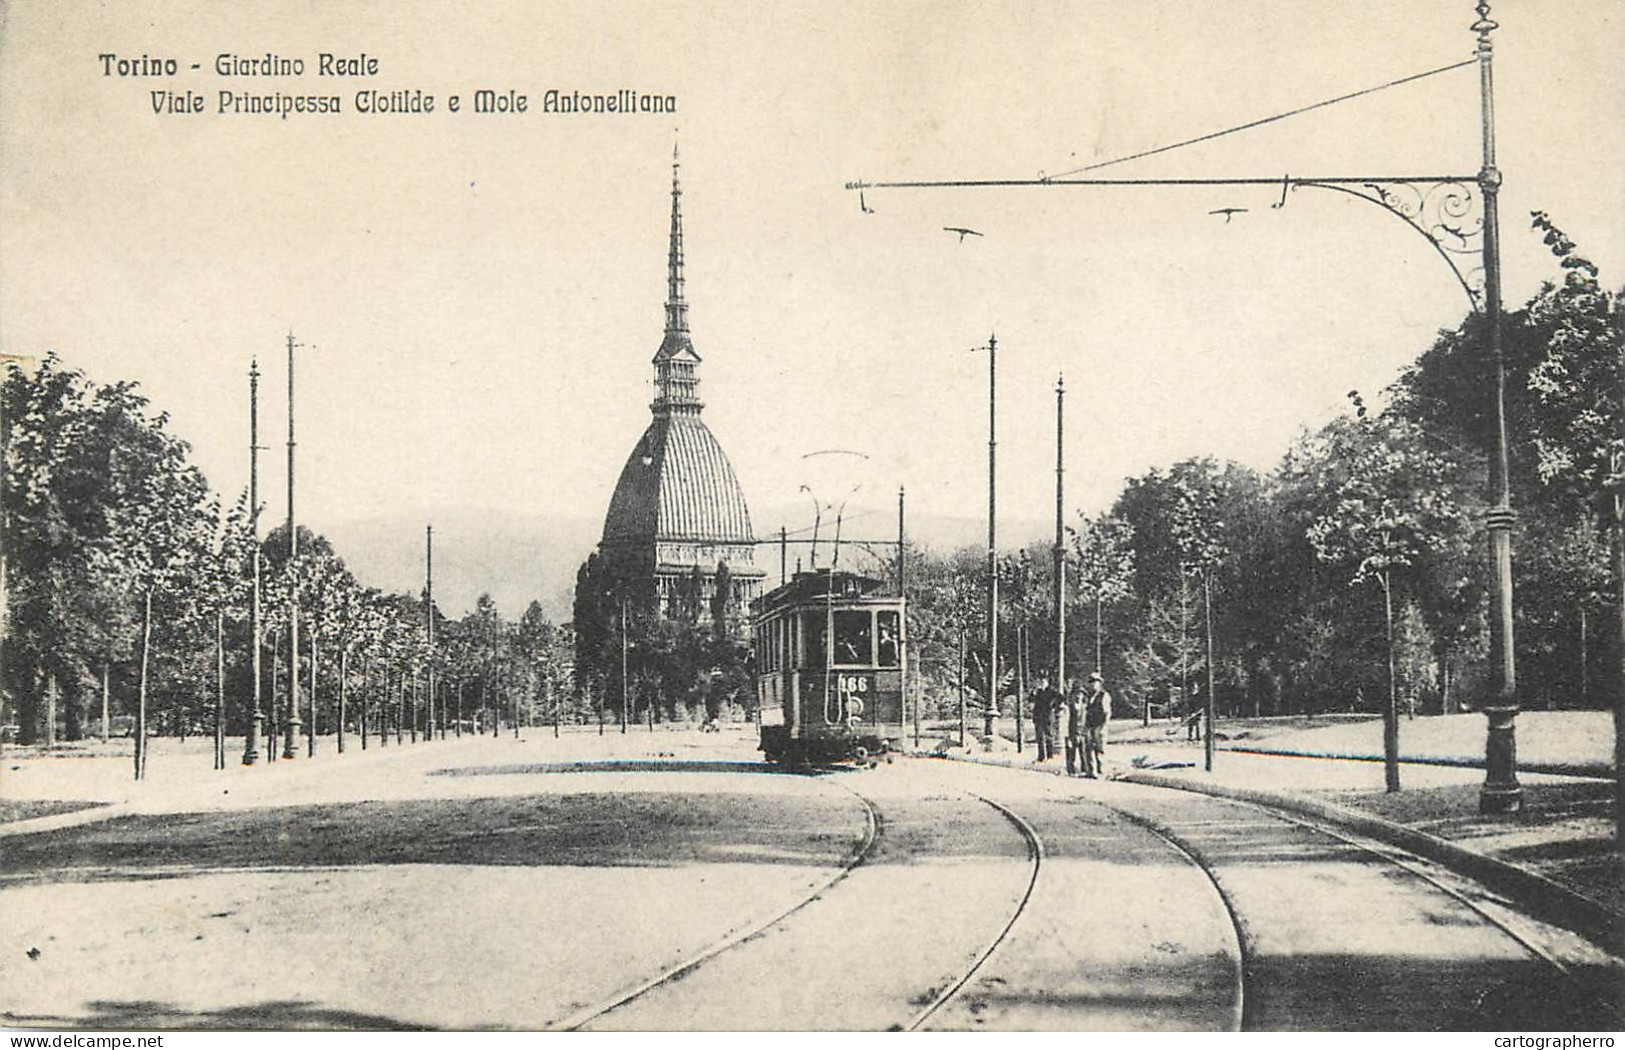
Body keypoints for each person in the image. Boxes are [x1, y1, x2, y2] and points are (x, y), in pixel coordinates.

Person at [1082, 671, 1113, 778]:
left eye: (1095, 682)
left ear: (1099, 683)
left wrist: (1103, 726)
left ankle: (1101, 771)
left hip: (1099, 726)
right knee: (1088, 748)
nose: (1092, 684)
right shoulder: (1090, 696)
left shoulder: (1103, 695)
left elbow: (1106, 712)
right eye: (1090, 682)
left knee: (1100, 749)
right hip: (1090, 725)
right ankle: (1091, 771)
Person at [1029, 676, 1061, 762]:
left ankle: (1050, 755)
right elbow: (1031, 700)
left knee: (1048, 736)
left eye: (1043, 682)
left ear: (1047, 683)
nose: (1041, 684)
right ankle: (1041, 756)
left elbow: (1060, 698)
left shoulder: (1051, 691)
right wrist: (1033, 693)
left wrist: (1054, 706)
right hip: (1038, 717)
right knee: (1040, 737)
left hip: (1047, 717)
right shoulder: (1038, 692)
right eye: (1040, 682)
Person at [1063, 678, 1087, 776]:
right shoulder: (1069, 707)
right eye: (1077, 694)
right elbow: (1066, 720)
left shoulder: (1085, 707)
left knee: (1084, 751)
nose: (1079, 696)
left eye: (1081, 694)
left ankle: (1084, 769)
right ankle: (1070, 769)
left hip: (1083, 731)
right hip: (1072, 731)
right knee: (1071, 751)